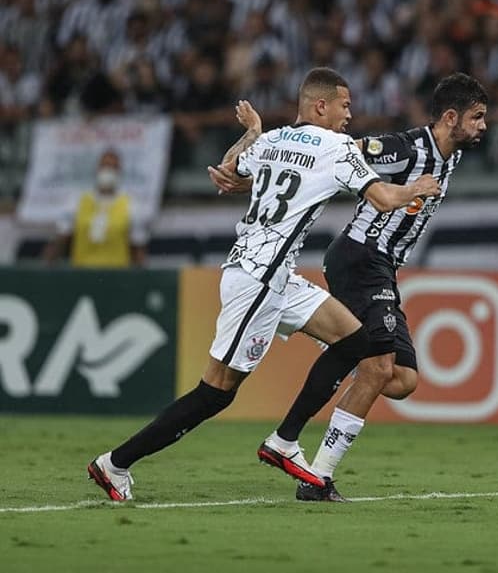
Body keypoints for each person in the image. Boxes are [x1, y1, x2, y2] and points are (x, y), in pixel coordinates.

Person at [87, 67, 441, 501]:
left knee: (355, 339)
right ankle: (115, 463)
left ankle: (284, 440)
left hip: (273, 274)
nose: (351, 115)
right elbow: (384, 199)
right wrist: (418, 188)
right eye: (345, 106)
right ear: (320, 105)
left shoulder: (272, 139)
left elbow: (228, 172)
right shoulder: (338, 148)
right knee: (215, 393)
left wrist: (252, 131)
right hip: (259, 279)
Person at [210, 72, 488, 502]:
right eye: (477, 117)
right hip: (361, 256)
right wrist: (249, 181)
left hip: (383, 265)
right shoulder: (405, 148)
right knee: (378, 367)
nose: (483, 126)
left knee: (402, 380)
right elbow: (334, 160)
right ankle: (316, 477)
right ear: (451, 118)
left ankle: (338, 345)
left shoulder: (450, 156)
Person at [43, 148, 148, 267]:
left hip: (117, 274)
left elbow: (137, 247)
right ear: (97, 169)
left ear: (119, 171)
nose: (108, 171)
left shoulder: (131, 205)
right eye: (105, 166)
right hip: (82, 272)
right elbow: (62, 237)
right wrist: (50, 259)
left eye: (113, 167)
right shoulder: (76, 201)